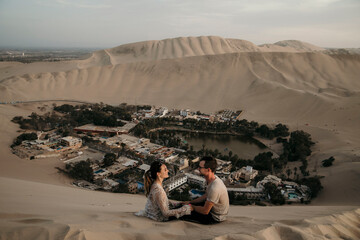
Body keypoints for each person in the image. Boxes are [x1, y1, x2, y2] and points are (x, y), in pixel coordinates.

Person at [181, 156, 229, 224]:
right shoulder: (211, 180)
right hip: (211, 210)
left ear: (208, 169)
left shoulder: (215, 187)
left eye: (200, 167)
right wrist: (190, 202)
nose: (198, 168)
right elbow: (206, 196)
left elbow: (205, 211)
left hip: (215, 217)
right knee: (185, 206)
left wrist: (192, 207)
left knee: (183, 213)